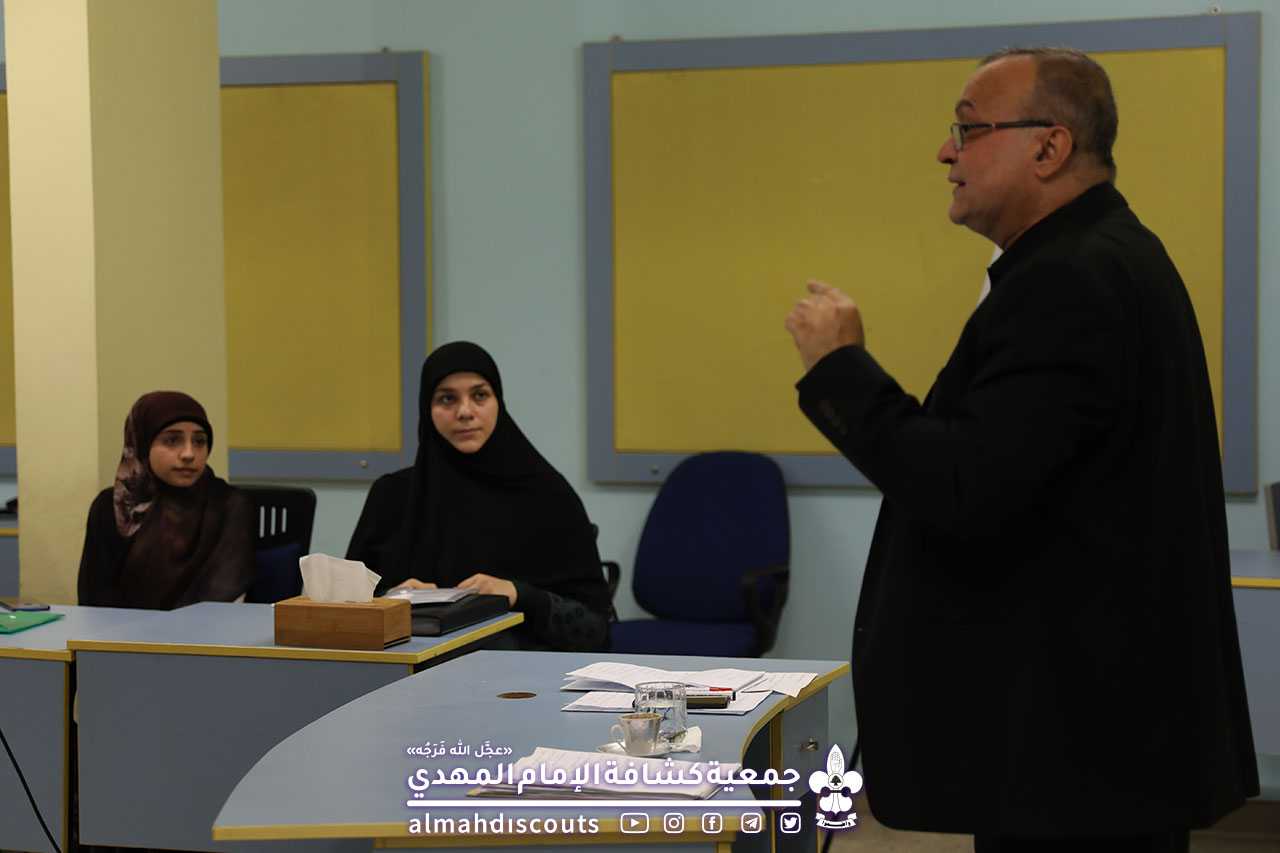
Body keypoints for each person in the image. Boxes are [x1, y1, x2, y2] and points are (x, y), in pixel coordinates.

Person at [785, 48, 1257, 852]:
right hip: (1088, 735)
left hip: (1076, 748)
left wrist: (842, 369)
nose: (945, 152)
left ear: (1049, 147)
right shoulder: (1097, 256)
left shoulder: (1072, 280)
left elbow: (964, 486)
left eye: (968, 130)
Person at [347, 341, 611, 651]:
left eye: (480, 396)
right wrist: (390, 600)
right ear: (427, 409)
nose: (465, 412)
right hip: (406, 667)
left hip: (518, 670)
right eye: (447, 399)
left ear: (498, 401)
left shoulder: (547, 494)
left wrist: (518, 594)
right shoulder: (392, 495)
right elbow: (342, 614)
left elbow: (596, 630)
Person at [77, 391, 255, 609]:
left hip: (204, 628)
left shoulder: (228, 504)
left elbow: (222, 596)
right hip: (118, 629)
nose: (189, 454)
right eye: (172, 440)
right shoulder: (113, 506)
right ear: (143, 444)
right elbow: (94, 598)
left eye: (199, 441)